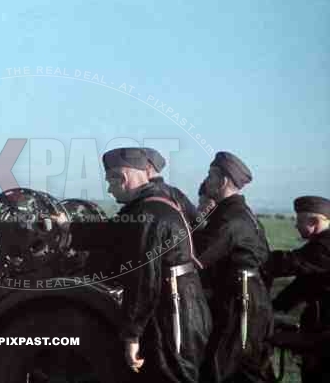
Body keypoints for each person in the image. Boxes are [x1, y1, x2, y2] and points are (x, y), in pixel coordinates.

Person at [54, 147, 212, 382]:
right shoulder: (154, 205)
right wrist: (69, 228)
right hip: (180, 306)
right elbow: (114, 232)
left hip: (174, 314)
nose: (109, 189)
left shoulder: (148, 214)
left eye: (110, 182)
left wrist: (131, 336)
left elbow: (143, 282)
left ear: (124, 178)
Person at [195, 151, 275, 383]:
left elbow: (197, 257)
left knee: (222, 371)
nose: (206, 180)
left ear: (223, 181)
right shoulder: (240, 213)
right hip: (247, 301)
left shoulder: (230, 218)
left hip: (240, 306)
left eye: (211, 176)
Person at [264, 196, 330, 382]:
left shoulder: (324, 247)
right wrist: (272, 307)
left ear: (315, 222)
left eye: (299, 220)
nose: (295, 226)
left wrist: (254, 257)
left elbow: (289, 263)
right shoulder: (321, 245)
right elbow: (302, 286)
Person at [143, 147, 200, 226]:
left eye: (137, 164)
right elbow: (199, 222)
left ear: (148, 167)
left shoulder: (139, 193)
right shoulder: (176, 193)